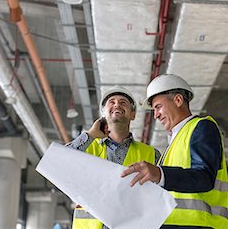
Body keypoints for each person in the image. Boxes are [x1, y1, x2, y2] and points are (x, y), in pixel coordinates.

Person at [121, 74, 228, 229]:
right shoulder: (173, 143)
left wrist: (160, 174)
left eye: (158, 107)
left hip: (199, 226)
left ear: (178, 100)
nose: (156, 115)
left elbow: (204, 178)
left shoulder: (201, 127)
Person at [67, 85, 160, 229]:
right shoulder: (87, 147)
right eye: (112, 102)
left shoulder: (151, 155)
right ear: (103, 113)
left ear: (133, 114)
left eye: (123, 102)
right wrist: (90, 135)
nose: (117, 104)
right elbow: (60, 163)